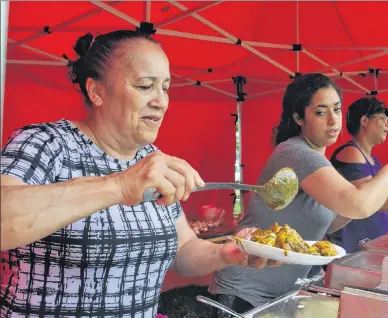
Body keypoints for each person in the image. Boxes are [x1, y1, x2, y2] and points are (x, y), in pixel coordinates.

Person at [0, 30, 272, 318]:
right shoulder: (47, 143)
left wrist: (228, 253)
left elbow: (183, 251)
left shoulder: (149, 159)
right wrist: (119, 185)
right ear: (97, 91)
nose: (161, 101)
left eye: (165, 87)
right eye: (145, 86)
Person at [209, 73, 388, 314]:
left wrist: (366, 201)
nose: (333, 121)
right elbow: (358, 204)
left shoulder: (319, 160)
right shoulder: (296, 152)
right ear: (299, 118)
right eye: (321, 112)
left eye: (337, 110)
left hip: (279, 293)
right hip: (245, 292)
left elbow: (334, 220)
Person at [326, 97, 388, 253]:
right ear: (364, 120)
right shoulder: (352, 152)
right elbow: (374, 202)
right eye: (383, 118)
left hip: (364, 251)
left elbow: (383, 212)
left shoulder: (375, 161)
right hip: (346, 251)